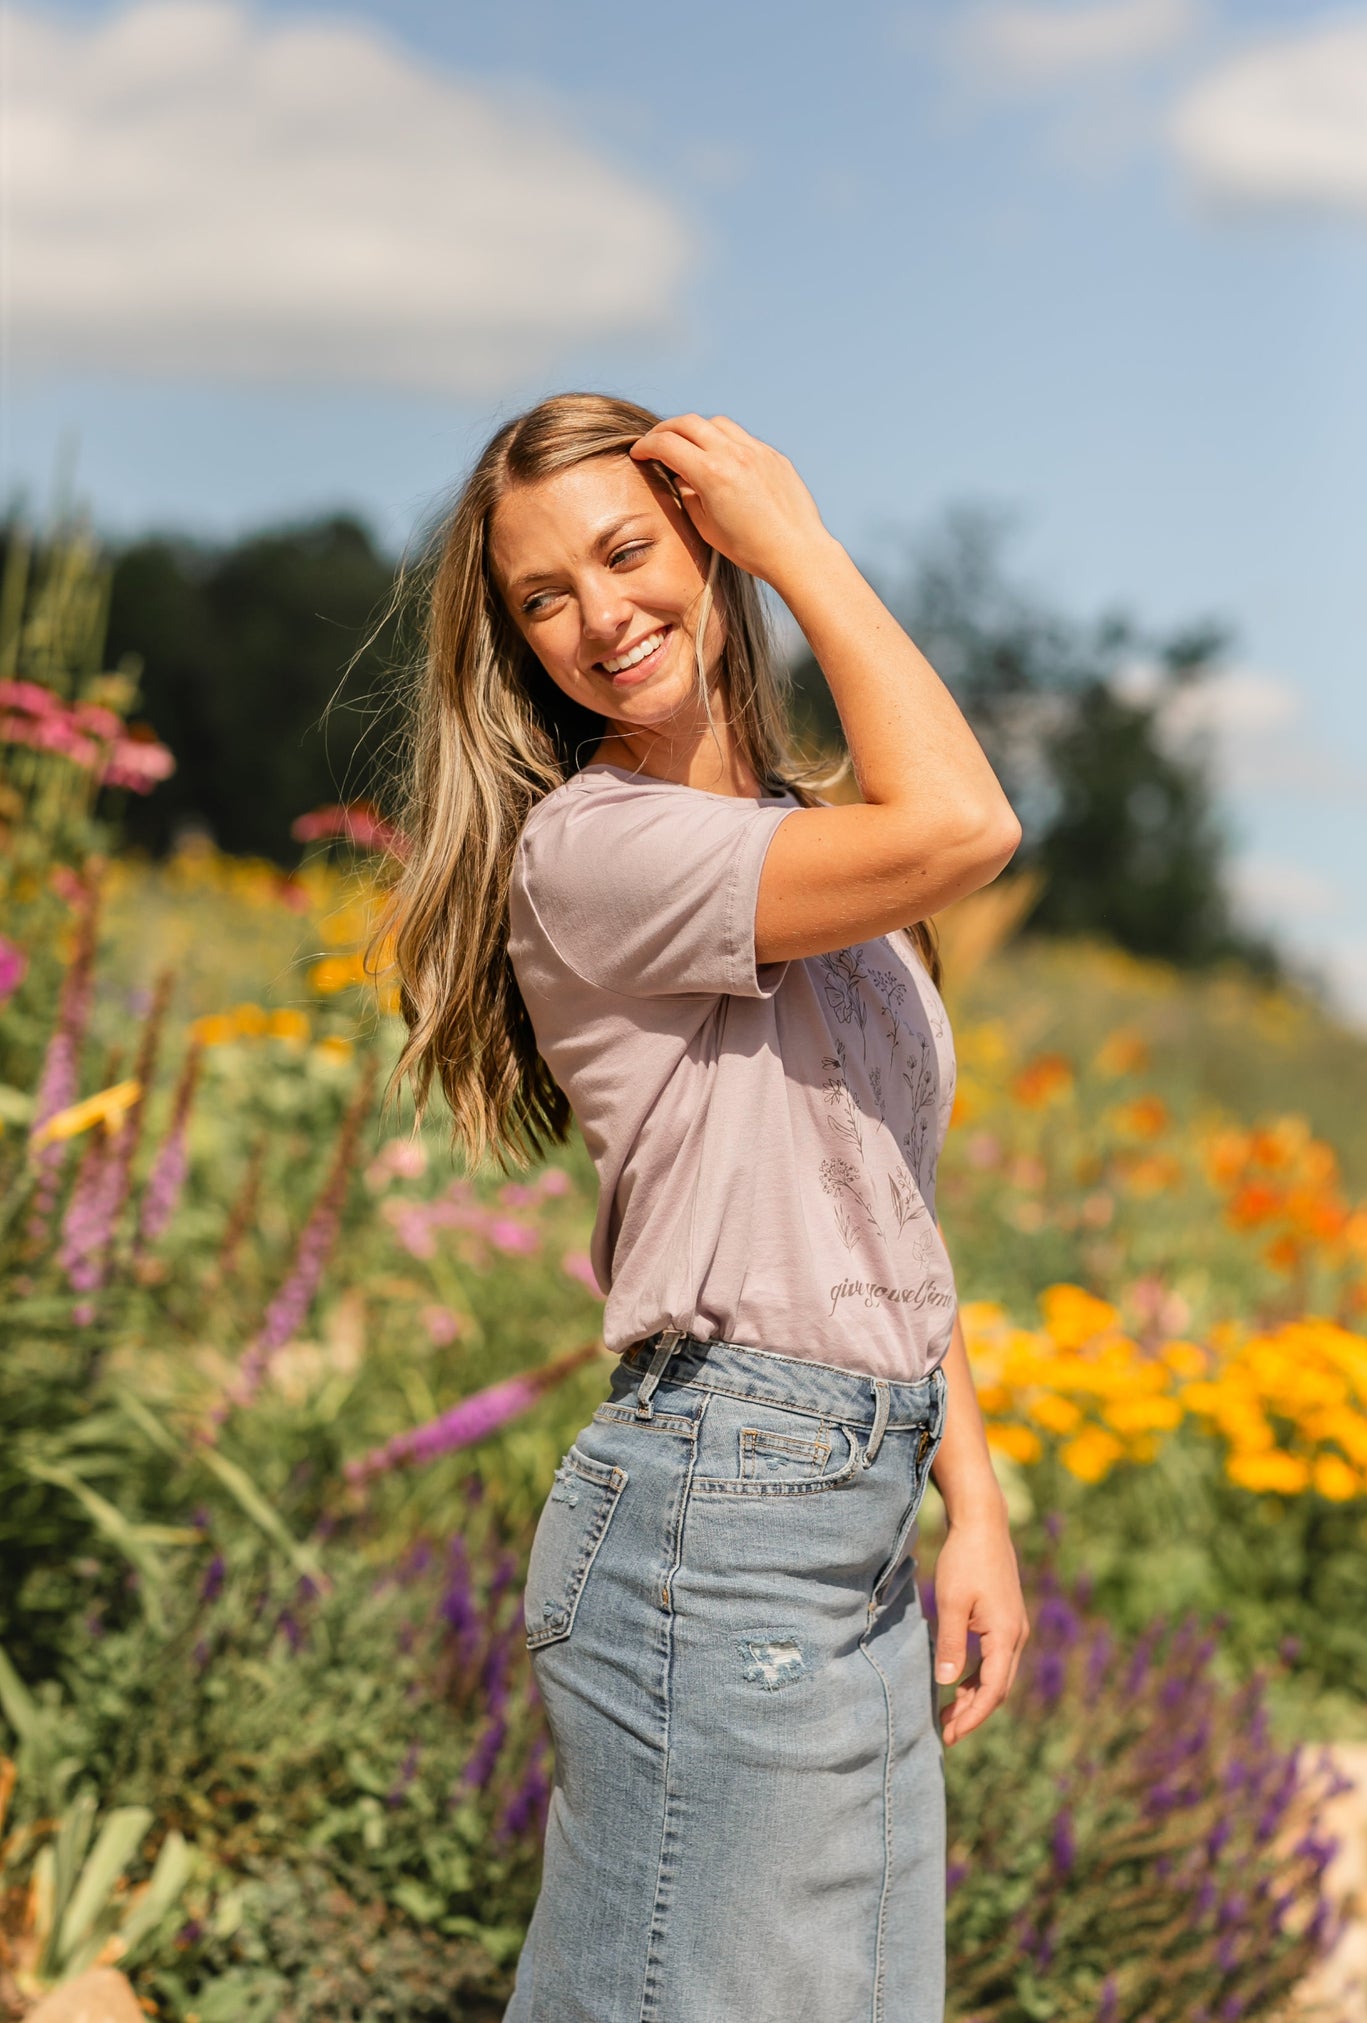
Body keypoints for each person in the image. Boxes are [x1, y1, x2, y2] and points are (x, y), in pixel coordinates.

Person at [379, 392, 1030, 2023]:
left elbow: (879, 1200)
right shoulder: (594, 850)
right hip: (716, 1525)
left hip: (839, 1510)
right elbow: (971, 825)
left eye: (627, 552)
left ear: (696, 546)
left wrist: (973, 1496)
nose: (600, 618)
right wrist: (799, 541)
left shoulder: (812, 853)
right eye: (543, 596)